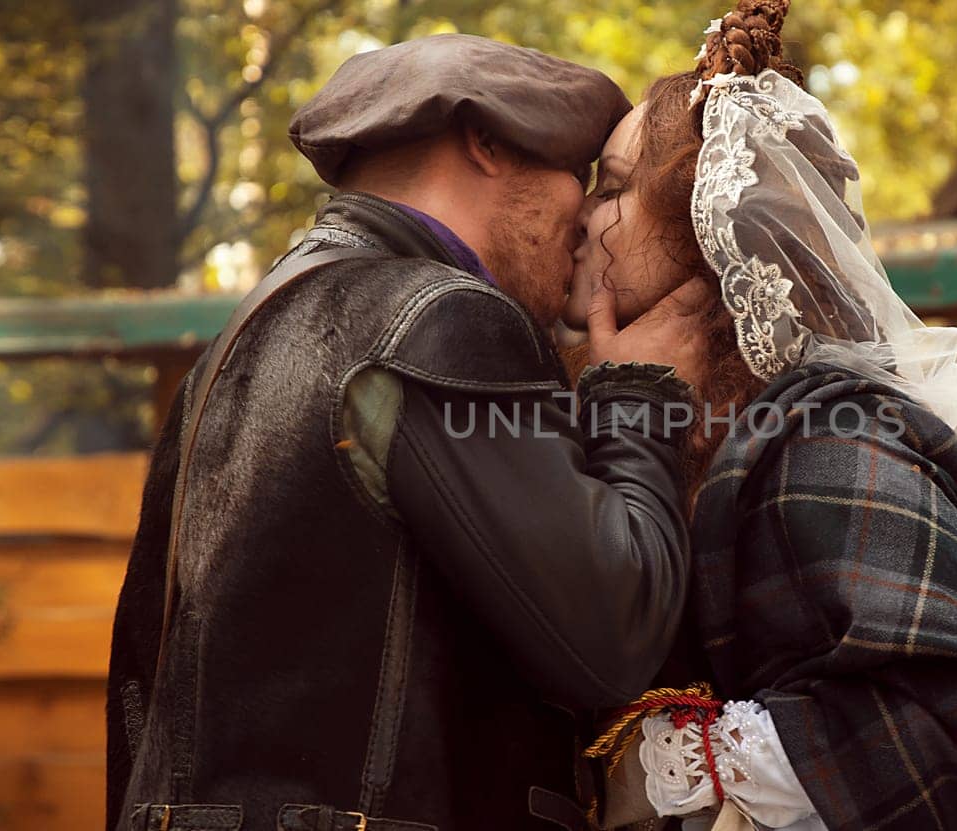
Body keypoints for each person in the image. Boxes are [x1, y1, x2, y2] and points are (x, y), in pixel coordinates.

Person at [106, 34, 714, 831]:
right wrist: (636, 394)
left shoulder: (233, 347)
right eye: (577, 175)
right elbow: (613, 633)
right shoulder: (439, 316)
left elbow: (141, 704)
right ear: (486, 143)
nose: (585, 218)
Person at [568, 3, 957, 828]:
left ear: (701, 227)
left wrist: (664, 768)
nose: (581, 219)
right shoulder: (678, 430)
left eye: (613, 189)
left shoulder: (824, 441)